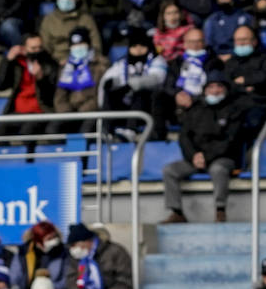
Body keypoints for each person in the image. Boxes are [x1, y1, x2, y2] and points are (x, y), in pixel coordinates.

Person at [161, 71, 246, 224]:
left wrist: (205, 157)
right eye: (211, 87)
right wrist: (193, 156)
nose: (215, 90)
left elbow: (230, 140)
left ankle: (220, 210)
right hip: (196, 158)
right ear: (205, 90)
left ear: (225, 89)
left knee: (218, 170)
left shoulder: (234, 110)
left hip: (222, 158)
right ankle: (177, 212)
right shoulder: (196, 109)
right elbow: (184, 137)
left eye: (219, 86)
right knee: (170, 170)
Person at [151, 25, 213, 142]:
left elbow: (215, 84)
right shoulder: (177, 62)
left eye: (198, 41)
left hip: (201, 101)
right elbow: (168, 85)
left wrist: (194, 98)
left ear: (204, 43)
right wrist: (178, 94)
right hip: (177, 102)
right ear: (184, 44)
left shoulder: (213, 62)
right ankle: (159, 136)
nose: (194, 45)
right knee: (159, 95)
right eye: (191, 42)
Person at [0, 32, 58, 138]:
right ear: (24, 48)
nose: (37, 51)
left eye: (40, 47)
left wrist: (41, 79)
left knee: (27, 131)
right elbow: (0, 85)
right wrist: (8, 61)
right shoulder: (17, 64)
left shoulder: (49, 64)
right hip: (18, 112)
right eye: (33, 48)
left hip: (40, 111)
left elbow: (51, 96)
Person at [99, 27, 167, 126]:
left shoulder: (157, 59)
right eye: (134, 46)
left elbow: (157, 78)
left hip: (149, 104)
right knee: (111, 91)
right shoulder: (121, 63)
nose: (138, 49)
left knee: (140, 93)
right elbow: (106, 81)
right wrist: (113, 83)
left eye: (142, 46)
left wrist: (132, 84)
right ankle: (107, 129)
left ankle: (131, 129)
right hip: (126, 103)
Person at [52, 27, 107, 132]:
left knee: (85, 130)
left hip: (92, 111)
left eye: (81, 44)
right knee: (53, 130)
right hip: (70, 113)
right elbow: (60, 96)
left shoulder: (101, 65)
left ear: (89, 44)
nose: (78, 48)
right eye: (74, 45)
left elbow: (100, 95)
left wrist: (81, 112)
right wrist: (68, 113)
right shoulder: (66, 66)